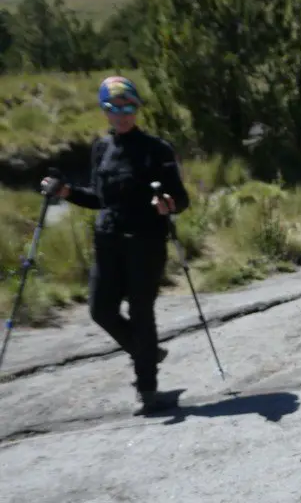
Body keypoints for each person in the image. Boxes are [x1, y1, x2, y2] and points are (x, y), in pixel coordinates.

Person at [42, 76, 190, 415]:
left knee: (141, 312)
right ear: (104, 111)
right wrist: (66, 193)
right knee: (100, 310)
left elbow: (180, 198)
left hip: (145, 243)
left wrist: (169, 203)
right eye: (113, 108)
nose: (121, 114)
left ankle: (148, 389)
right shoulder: (101, 149)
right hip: (107, 241)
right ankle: (147, 352)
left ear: (137, 108)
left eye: (128, 107)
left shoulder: (158, 149)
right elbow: (98, 198)